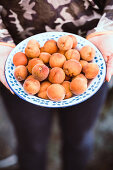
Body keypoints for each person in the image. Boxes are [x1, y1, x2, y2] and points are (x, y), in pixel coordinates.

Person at [0, 1, 113, 170]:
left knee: (79, 139)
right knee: (31, 144)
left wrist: (108, 26)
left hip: (93, 46)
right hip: (13, 51)